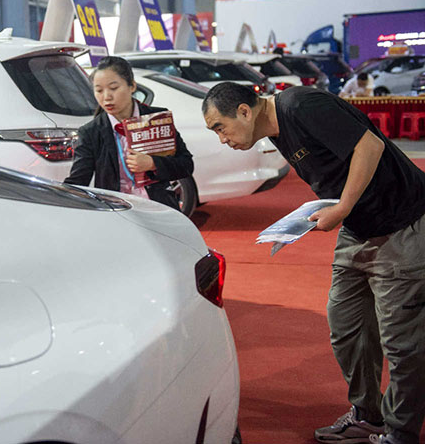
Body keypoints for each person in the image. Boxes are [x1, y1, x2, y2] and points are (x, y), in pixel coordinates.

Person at [201, 82, 425, 444]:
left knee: (402, 342)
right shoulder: (277, 130)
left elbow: (370, 145)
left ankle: (401, 432)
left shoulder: (299, 105)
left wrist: (343, 207)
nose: (221, 139)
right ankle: (368, 415)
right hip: (358, 229)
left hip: (403, 225)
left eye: (219, 127)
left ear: (245, 111)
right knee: (347, 328)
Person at [64, 56, 193, 211]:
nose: (106, 97)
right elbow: (78, 181)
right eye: (99, 90)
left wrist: (152, 163)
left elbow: (186, 165)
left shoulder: (157, 119)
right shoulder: (90, 132)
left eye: (113, 88)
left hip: (159, 208)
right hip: (118, 212)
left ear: (132, 86)